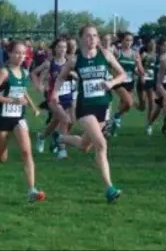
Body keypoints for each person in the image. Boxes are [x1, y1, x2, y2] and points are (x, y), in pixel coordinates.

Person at [51, 24, 126, 203]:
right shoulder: (75, 60)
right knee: (101, 145)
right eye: (88, 36)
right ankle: (109, 188)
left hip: (103, 106)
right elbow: (61, 77)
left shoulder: (106, 55)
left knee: (85, 145)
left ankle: (60, 138)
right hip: (85, 107)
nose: (91, 39)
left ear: (98, 39)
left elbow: (122, 74)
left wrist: (112, 83)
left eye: (94, 36)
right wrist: (54, 93)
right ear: (81, 39)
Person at [0, 41, 45, 202]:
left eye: (23, 53)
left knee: (26, 152)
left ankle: (31, 189)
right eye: (16, 53)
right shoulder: (4, 72)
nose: (20, 56)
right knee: (1, 157)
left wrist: (32, 107)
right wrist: (11, 100)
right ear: (10, 54)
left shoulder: (25, 73)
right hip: (1, 118)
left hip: (18, 118)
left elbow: (23, 91)